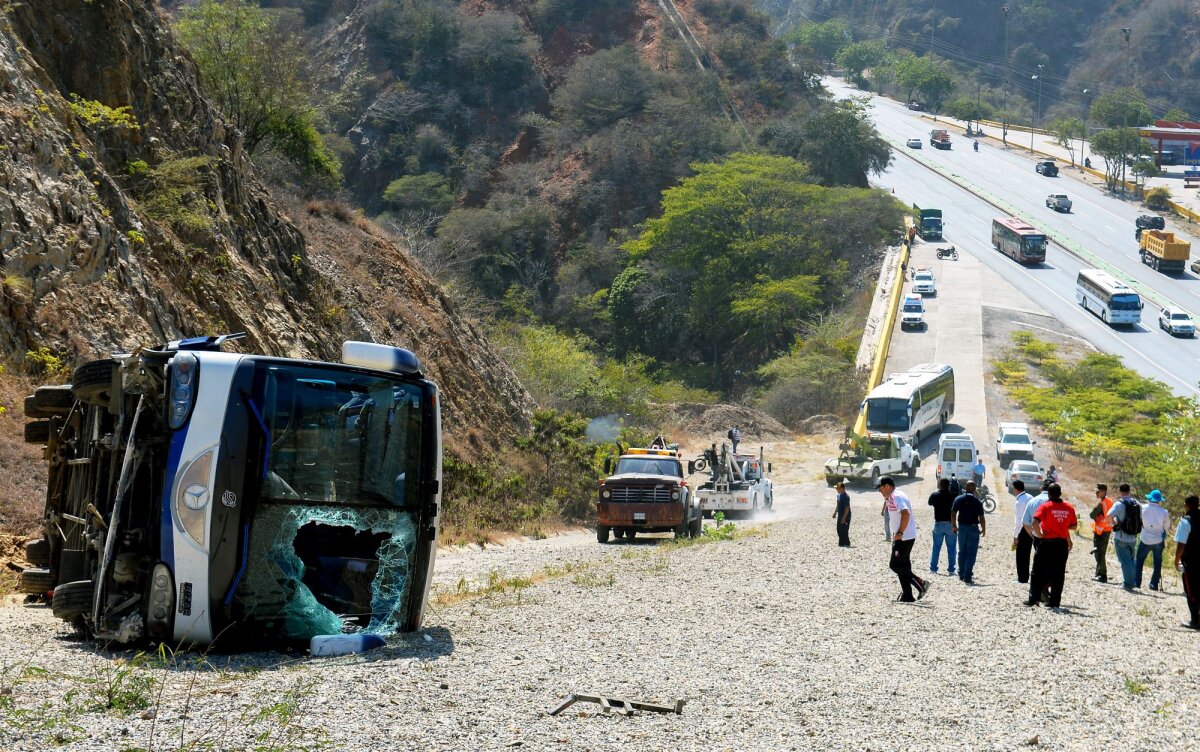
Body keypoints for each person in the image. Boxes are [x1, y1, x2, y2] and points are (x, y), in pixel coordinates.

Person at [878, 476, 929, 602]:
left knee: (895, 565)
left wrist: (900, 532)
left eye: (880, 488)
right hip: (904, 536)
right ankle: (907, 595)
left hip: (904, 537)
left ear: (887, 486)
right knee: (903, 565)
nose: (879, 491)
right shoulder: (894, 495)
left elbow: (906, 513)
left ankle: (921, 584)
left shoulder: (897, 496)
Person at [1027, 483, 1078, 608]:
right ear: (1060, 494)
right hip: (1061, 544)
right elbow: (1074, 526)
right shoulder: (1069, 508)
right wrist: (1062, 525)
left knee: (1037, 571)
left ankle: (1034, 599)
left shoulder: (1045, 506)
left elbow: (1034, 522)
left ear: (1049, 494)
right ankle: (1054, 602)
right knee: (1059, 573)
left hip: (1047, 543)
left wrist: (1040, 534)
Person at [1105, 483, 1142, 591]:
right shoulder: (1137, 504)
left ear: (1120, 491)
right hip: (1133, 537)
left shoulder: (1119, 504)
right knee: (1130, 560)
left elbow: (1108, 516)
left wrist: (1114, 524)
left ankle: (1128, 584)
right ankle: (1132, 582)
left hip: (1121, 536)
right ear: (1129, 491)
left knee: (1125, 561)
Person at [1135, 489, 1172, 591]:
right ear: (1159, 500)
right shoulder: (1164, 512)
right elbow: (1166, 527)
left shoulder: (1142, 508)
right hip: (1158, 540)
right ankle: (1153, 585)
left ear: (1150, 498)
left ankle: (1137, 583)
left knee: (1139, 561)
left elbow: (1139, 520)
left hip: (1145, 539)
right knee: (1157, 563)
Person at [952, 481, 987, 584]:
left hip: (962, 528)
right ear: (975, 489)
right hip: (973, 528)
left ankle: (961, 574)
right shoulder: (977, 502)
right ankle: (967, 576)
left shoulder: (959, 499)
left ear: (965, 487)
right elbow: (981, 518)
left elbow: (953, 513)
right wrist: (983, 529)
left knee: (962, 551)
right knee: (971, 553)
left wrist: (954, 525)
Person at [1174, 494, 1199, 629]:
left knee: (1191, 591)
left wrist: (1176, 560)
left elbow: (1181, 545)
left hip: (1192, 562)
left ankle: (1195, 621)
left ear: (1186, 505)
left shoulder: (1186, 521)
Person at [927, 478, 957, 575]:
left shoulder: (935, 495)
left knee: (936, 547)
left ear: (940, 485)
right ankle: (951, 570)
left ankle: (933, 569)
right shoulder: (953, 495)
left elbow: (929, 503)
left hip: (938, 523)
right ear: (949, 485)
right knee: (951, 548)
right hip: (950, 524)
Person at [1089, 483, 1114, 583]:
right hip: (1107, 530)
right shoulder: (1110, 501)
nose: (1096, 493)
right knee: (1101, 552)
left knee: (1099, 554)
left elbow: (1092, 515)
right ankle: (1099, 573)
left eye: (1098, 491)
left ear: (1103, 492)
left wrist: (1096, 515)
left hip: (1100, 531)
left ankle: (1102, 575)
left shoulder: (1101, 504)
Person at [1011, 480, 1035, 584]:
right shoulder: (1030, 497)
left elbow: (1019, 521)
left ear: (1015, 489)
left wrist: (1015, 536)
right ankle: (1025, 577)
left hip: (1023, 530)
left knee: (1021, 555)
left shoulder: (1019, 501)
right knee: (1027, 553)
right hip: (1032, 528)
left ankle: (1022, 578)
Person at [833, 481, 852, 547]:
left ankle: (846, 543)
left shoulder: (846, 497)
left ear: (842, 488)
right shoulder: (838, 495)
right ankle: (841, 543)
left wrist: (844, 517)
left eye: (837, 488)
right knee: (839, 529)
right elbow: (838, 505)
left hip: (846, 515)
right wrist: (835, 512)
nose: (836, 489)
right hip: (840, 514)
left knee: (844, 529)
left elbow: (847, 508)